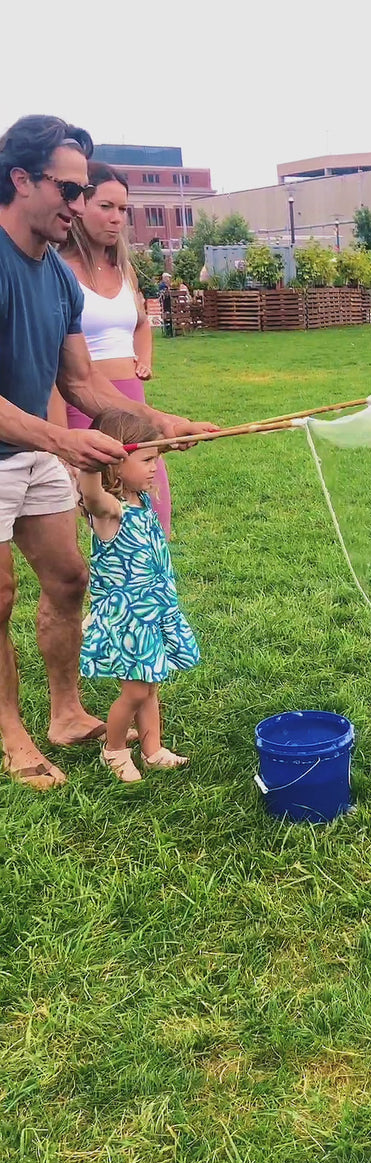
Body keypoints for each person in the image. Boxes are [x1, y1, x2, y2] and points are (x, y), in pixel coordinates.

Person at [0, 114, 215, 790]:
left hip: (31, 452)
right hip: (17, 448)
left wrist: (163, 421)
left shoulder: (57, 280)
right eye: (68, 189)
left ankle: (66, 713)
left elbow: (83, 383)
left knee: (69, 579)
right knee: (0, 594)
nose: (78, 202)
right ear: (21, 180)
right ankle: (12, 733)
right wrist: (61, 438)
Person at [48, 162, 172, 536]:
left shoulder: (123, 270)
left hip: (133, 404)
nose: (117, 218)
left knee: (152, 516)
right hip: (82, 407)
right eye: (106, 206)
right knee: (103, 524)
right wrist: (60, 441)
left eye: (123, 209)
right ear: (80, 204)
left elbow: (141, 322)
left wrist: (144, 360)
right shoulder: (57, 272)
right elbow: (56, 366)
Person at [78, 409, 199, 783]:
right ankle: (114, 750)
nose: (154, 468)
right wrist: (92, 462)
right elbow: (91, 493)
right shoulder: (110, 511)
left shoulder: (142, 502)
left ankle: (153, 749)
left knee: (150, 687)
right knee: (133, 692)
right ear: (115, 463)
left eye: (156, 458)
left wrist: (170, 441)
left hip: (152, 613)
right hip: (128, 620)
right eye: (146, 460)